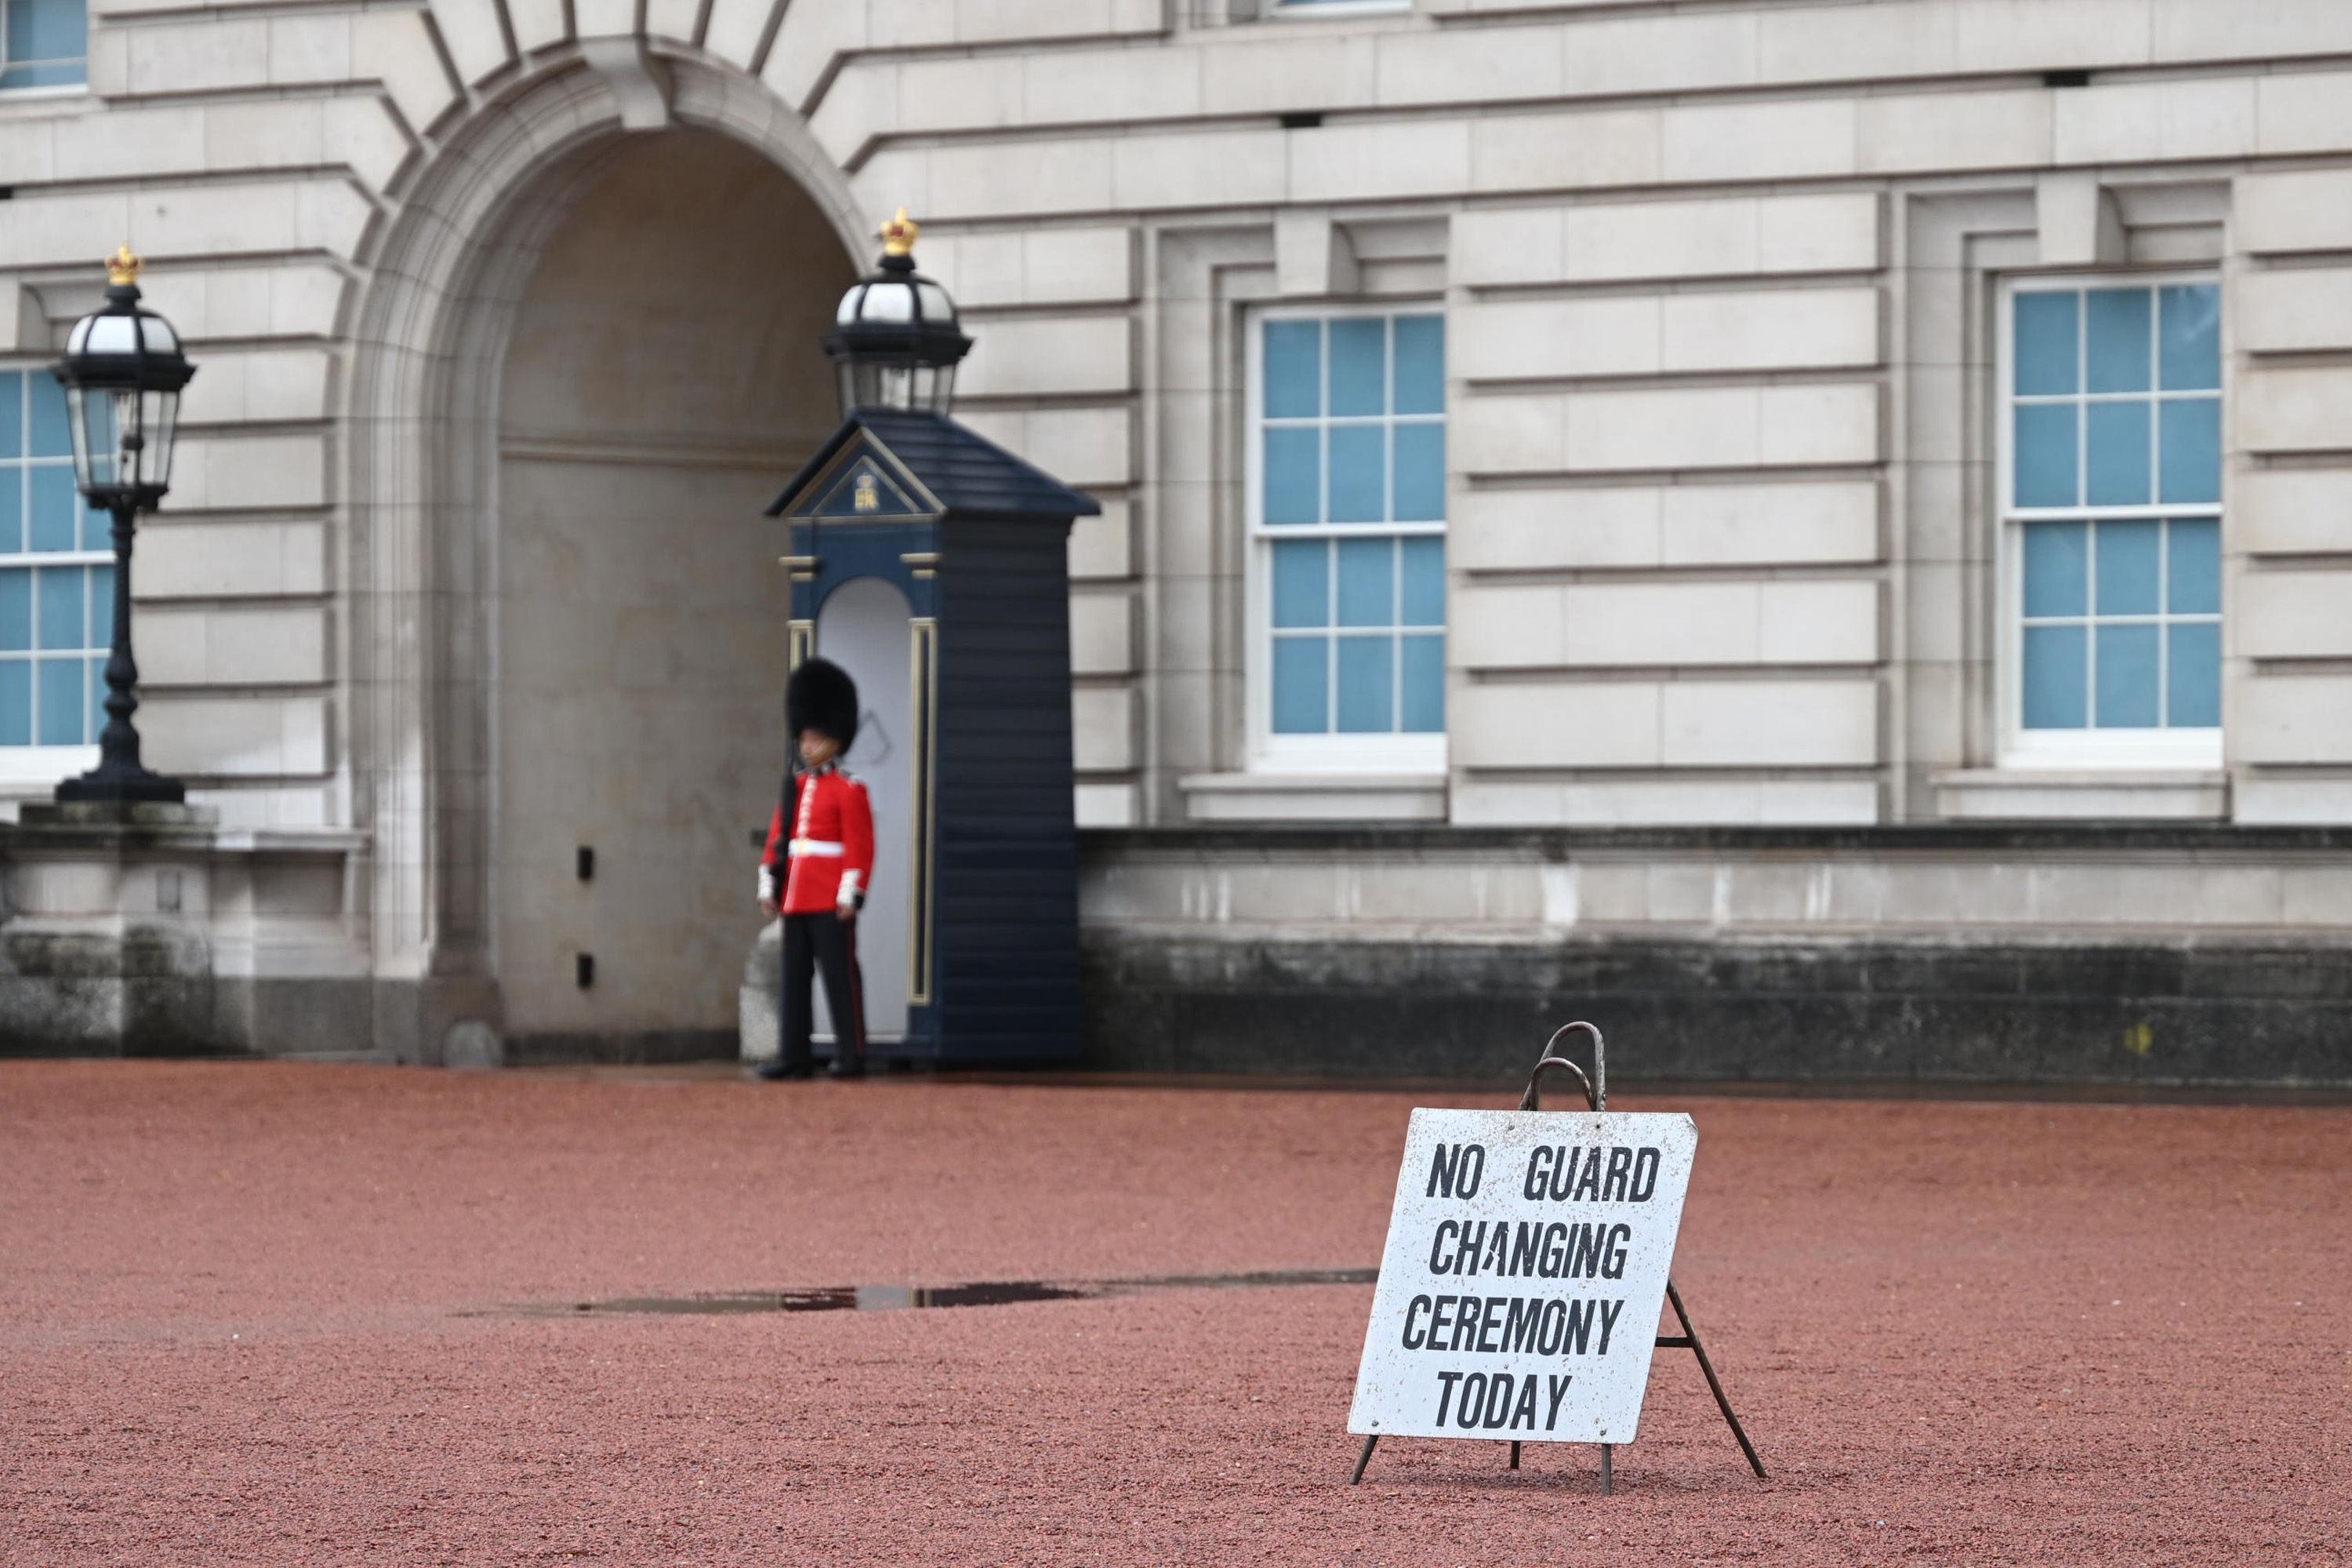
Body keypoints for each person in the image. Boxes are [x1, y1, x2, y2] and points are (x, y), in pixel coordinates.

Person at [756, 658, 875, 1081]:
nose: (806, 745)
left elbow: (860, 848)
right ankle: (794, 1054)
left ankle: (851, 1054)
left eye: (814, 736)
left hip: (828, 899)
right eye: (803, 736)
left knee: (840, 978)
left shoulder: (850, 790)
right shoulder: (797, 787)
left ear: (834, 738)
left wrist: (850, 894)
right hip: (796, 897)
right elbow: (779, 838)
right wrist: (770, 882)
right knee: (794, 980)